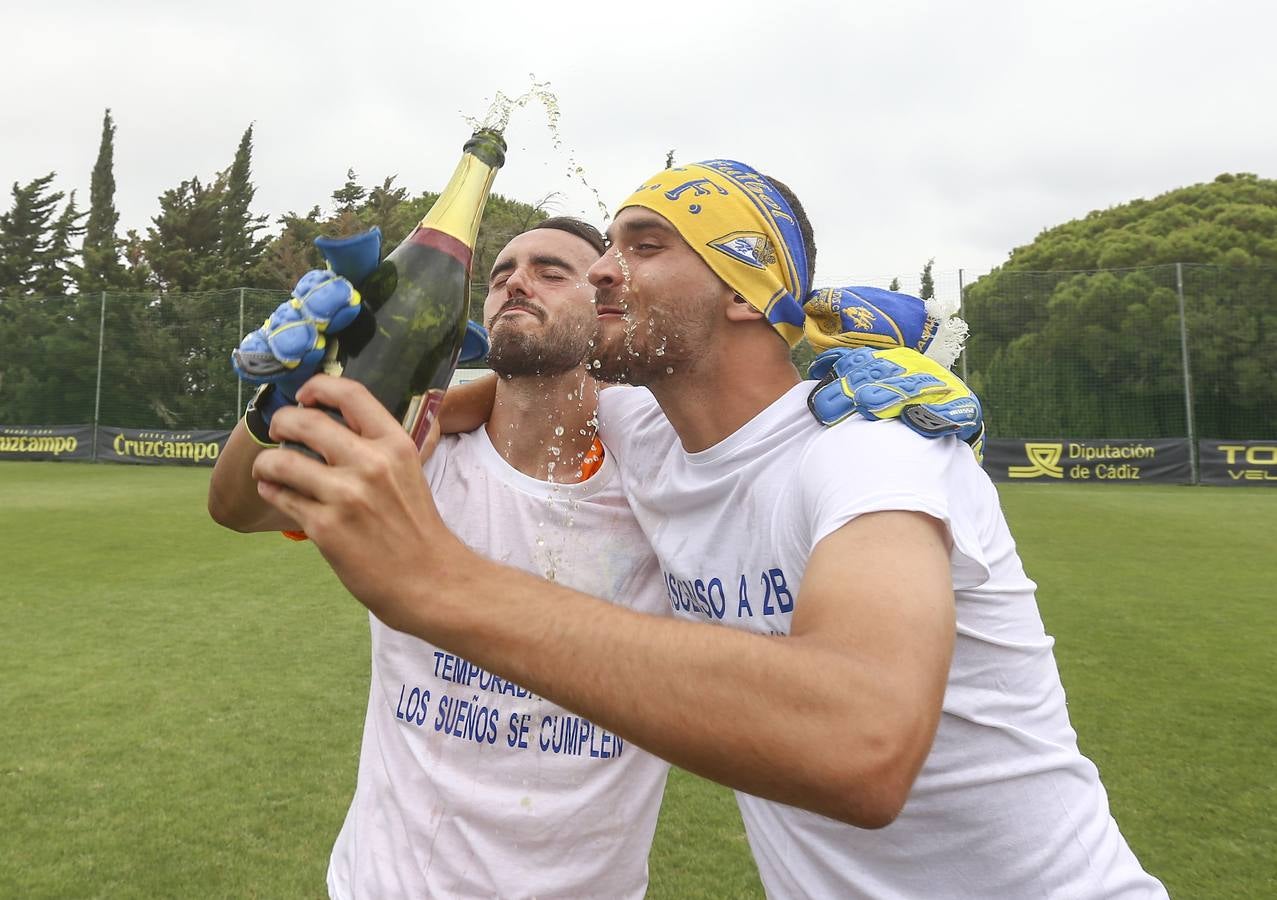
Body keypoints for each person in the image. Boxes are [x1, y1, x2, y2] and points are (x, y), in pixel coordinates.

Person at [245, 159, 1165, 897]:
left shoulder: (864, 451)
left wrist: (439, 582)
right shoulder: (649, 431)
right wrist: (407, 386)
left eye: (643, 247)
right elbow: (534, 386)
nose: (605, 269)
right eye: (606, 246)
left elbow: (859, 746)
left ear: (739, 291)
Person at [209, 218, 672, 899]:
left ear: (605, 302)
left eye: (550, 270)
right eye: (501, 273)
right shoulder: (413, 460)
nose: (515, 280)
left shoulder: (660, 482)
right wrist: (274, 405)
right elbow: (240, 508)